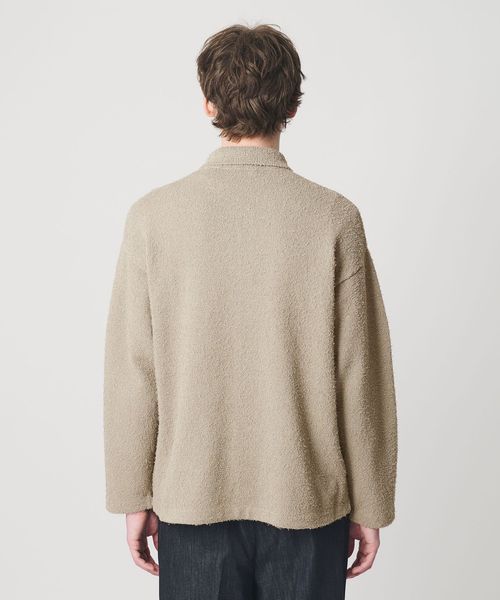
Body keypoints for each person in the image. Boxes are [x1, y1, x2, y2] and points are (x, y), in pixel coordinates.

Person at [103, 23, 398, 600]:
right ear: (292, 107)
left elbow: (134, 371)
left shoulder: (153, 218)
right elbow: (360, 375)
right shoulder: (333, 217)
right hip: (307, 502)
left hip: (191, 499)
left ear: (208, 103)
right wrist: (370, 503)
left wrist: (133, 494)